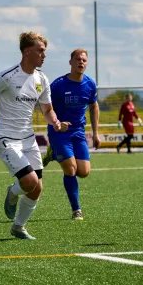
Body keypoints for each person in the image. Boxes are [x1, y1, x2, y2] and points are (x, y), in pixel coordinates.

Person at [0, 32, 69, 240]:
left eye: (44, 51)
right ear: (27, 51)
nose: (44, 55)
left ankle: (18, 227)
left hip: (28, 139)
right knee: (29, 181)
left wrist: (56, 123)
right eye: (40, 51)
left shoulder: (42, 79)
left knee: (37, 188)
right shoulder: (7, 76)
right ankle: (12, 193)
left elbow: (47, 110)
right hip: (6, 139)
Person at [41, 48, 101, 220]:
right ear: (71, 62)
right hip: (59, 133)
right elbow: (45, 107)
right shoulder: (58, 85)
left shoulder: (89, 85)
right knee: (71, 168)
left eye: (84, 60)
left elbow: (94, 106)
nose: (81, 62)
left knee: (83, 172)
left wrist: (96, 133)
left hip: (78, 133)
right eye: (77, 59)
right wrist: (57, 124)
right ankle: (76, 210)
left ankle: (53, 153)